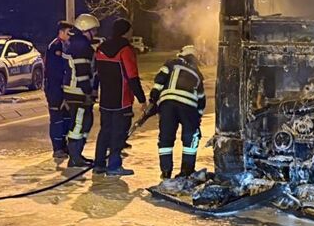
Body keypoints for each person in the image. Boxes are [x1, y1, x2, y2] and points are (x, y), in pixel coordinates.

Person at [93, 17, 146, 176]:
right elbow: (132, 76)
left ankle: (99, 164)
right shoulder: (126, 50)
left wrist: (95, 91)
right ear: (125, 31)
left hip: (106, 99)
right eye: (130, 30)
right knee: (119, 133)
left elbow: (96, 74)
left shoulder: (101, 48)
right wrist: (141, 99)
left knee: (105, 131)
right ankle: (114, 166)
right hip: (122, 100)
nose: (132, 33)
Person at [150, 44, 206, 180]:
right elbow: (201, 99)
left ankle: (166, 171)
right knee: (190, 138)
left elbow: (159, 80)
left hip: (168, 105)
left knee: (166, 138)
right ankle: (187, 171)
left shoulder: (171, 64)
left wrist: (154, 99)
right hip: (189, 108)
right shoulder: (197, 73)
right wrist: (197, 117)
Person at [62, 13, 99, 167]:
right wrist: (88, 92)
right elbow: (83, 72)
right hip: (78, 92)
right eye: (94, 31)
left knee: (85, 122)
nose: (95, 34)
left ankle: (77, 155)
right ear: (86, 30)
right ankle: (75, 157)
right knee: (78, 124)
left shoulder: (76, 44)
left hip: (75, 91)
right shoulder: (81, 47)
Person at [44, 20, 72, 159]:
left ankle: (63, 145)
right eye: (68, 33)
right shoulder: (55, 47)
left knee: (66, 118)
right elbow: (55, 72)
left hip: (64, 88)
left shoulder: (66, 46)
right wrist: (60, 91)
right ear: (61, 32)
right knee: (57, 119)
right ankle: (57, 148)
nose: (70, 36)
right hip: (55, 89)